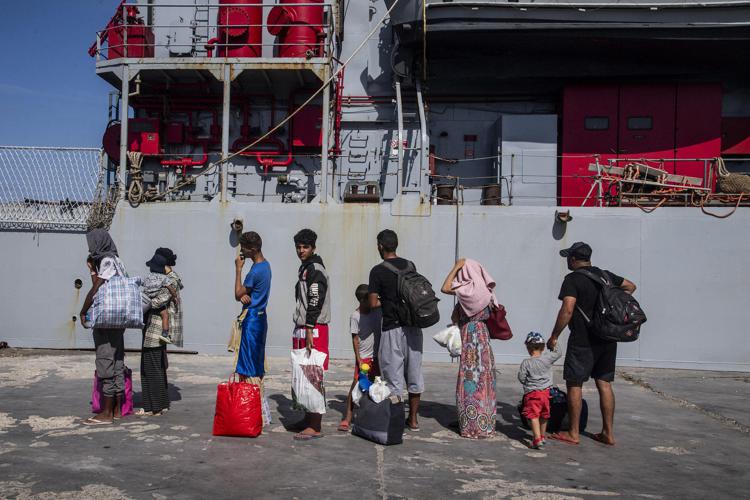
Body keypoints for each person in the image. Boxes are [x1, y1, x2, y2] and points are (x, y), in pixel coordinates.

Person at [547, 242, 637, 446]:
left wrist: (554, 335)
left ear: (573, 259)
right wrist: (615, 304)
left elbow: (568, 309)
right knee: (604, 383)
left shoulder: (572, 279)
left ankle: (573, 432)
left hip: (583, 340)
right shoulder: (606, 276)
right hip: (607, 338)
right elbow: (630, 286)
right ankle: (608, 433)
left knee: (575, 383)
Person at [368, 229, 424, 431]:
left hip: (392, 328)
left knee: (393, 377)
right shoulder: (411, 265)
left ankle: (396, 420)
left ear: (380, 246)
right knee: (414, 374)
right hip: (414, 328)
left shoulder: (378, 270)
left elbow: (374, 303)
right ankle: (414, 419)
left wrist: (386, 301)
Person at [441, 257, 497, 439]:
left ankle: (470, 424)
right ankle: (485, 424)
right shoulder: (486, 292)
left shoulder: (466, 293)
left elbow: (445, 288)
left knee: (469, 379)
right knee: (485, 379)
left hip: (470, 335)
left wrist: (456, 266)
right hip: (483, 336)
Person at [80, 228, 127, 425]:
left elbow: (96, 289)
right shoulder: (118, 261)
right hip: (119, 318)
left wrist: (83, 310)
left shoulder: (107, 260)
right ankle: (116, 409)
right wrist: (92, 268)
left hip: (106, 319)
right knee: (116, 360)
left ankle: (106, 413)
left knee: (105, 359)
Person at [291, 228, 331, 440]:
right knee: (303, 375)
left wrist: (308, 328)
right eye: (298, 247)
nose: (301, 250)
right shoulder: (305, 268)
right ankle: (308, 418)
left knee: (314, 375)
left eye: (305, 247)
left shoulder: (315, 269)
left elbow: (315, 300)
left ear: (313, 248)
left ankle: (315, 425)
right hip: (305, 327)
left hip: (313, 328)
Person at [139, 250, 183, 416]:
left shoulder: (171, 279)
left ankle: (155, 407)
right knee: (152, 366)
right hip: (154, 327)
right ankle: (155, 404)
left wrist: (144, 303)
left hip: (155, 328)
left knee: (152, 367)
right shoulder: (168, 279)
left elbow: (160, 300)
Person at [338, 284, 382, 432]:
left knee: (377, 386)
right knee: (357, 383)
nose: (374, 301)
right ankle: (348, 417)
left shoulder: (376, 311)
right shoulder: (355, 316)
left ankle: (374, 416)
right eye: (371, 299)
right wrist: (359, 359)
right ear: (363, 300)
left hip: (377, 357)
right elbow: (355, 339)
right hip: (364, 358)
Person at [234, 231, 272, 381]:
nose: (242, 251)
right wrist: (246, 293)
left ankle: (248, 398)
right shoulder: (266, 266)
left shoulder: (254, 272)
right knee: (257, 361)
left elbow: (237, 294)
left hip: (251, 319)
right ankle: (258, 397)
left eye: (244, 248)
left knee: (247, 363)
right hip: (261, 317)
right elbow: (246, 292)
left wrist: (238, 269)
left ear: (253, 249)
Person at [518, 332, 562, 449]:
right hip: (546, 394)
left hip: (532, 394)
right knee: (544, 416)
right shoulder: (548, 358)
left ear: (528, 348)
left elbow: (521, 378)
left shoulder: (526, 363)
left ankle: (537, 439)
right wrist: (554, 342)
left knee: (533, 416)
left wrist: (527, 382)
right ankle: (542, 437)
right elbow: (559, 353)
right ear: (543, 347)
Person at [142, 254, 179, 344]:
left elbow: (143, 285)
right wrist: (175, 297)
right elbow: (171, 289)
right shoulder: (164, 278)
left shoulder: (148, 277)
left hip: (145, 300)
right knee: (165, 315)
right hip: (156, 302)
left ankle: (142, 324)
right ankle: (165, 334)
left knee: (144, 314)